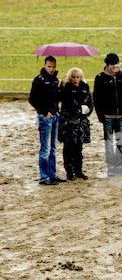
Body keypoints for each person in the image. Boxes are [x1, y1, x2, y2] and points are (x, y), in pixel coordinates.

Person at [29, 56, 65, 185]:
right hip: (45, 118)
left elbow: (58, 97)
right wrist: (44, 112)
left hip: (55, 116)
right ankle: (44, 176)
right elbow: (32, 99)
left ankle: (52, 173)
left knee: (53, 148)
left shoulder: (55, 80)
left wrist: (62, 86)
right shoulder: (39, 80)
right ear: (45, 65)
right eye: (49, 66)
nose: (51, 69)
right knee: (45, 148)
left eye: (53, 67)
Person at [93, 53, 122, 176]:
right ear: (108, 65)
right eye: (112, 64)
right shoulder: (100, 78)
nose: (115, 66)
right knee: (108, 143)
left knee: (121, 142)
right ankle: (111, 167)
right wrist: (100, 115)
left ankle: (118, 166)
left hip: (120, 116)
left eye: (116, 64)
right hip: (107, 116)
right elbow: (96, 98)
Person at [58, 68, 93, 180]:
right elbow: (61, 99)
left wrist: (89, 110)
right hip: (68, 122)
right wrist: (62, 86)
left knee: (78, 148)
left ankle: (78, 170)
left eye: (78, 77)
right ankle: (69, 171)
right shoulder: (66, 88)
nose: (75, 80)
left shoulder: (85, 88)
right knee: (68, 148)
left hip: (80, 122)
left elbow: (90, 103)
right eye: (73, 77)